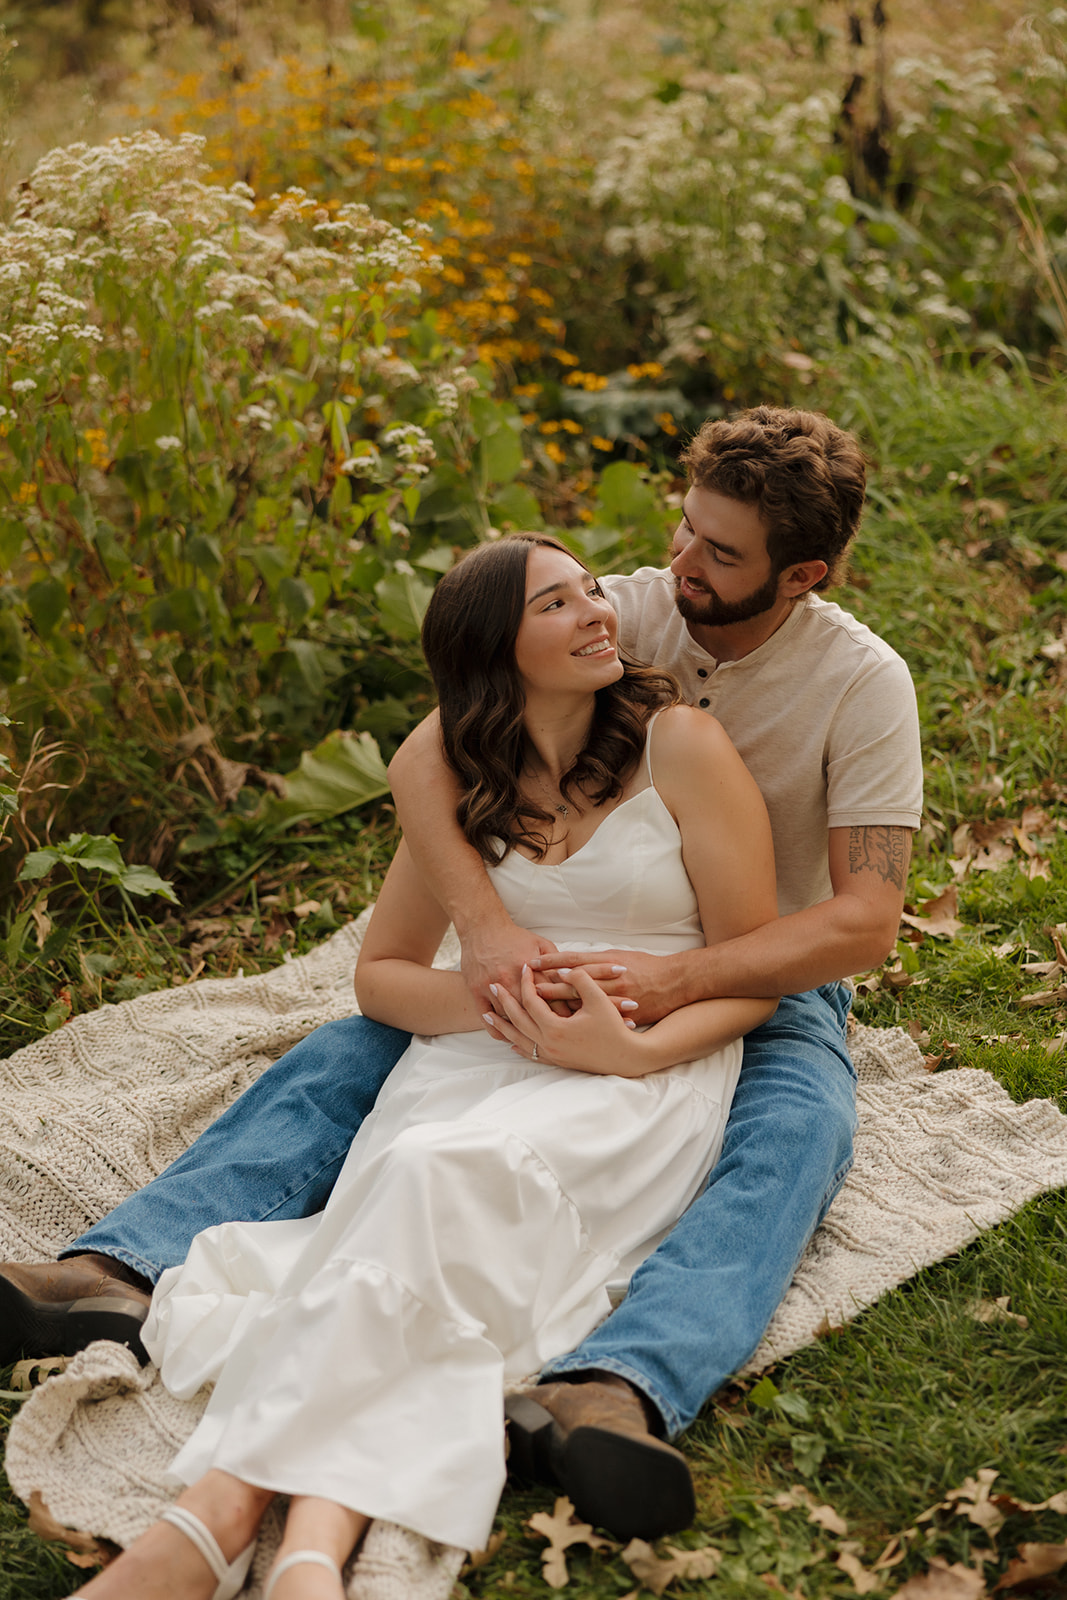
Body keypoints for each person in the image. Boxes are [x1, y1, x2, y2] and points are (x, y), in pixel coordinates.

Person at [0, 404, 923, 1540]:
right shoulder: (627, 605)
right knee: (348, 1051)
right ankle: (121, 1265)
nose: (677, 565)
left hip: (758, 967)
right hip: (548, 954)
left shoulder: (859, 686)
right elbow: (429, 747)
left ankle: (614, 1384)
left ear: (800, 573)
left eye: (718, 554)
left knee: (796, 1135)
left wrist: (664, 993)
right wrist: (483, 932)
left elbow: (864, 920)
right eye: (683, 530)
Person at [71, 532, 778, 1600]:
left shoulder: (678, 744)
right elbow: (385, 976)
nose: (598, 613)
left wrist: (625, 1049)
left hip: (640, 1077)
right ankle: (308, 1542)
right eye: (556, 603)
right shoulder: (459, 776)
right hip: (473, 1061)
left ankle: (206, 1522)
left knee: (427, 1182)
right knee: (417, 1199)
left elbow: (749, 975)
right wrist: (501, 1007)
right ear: (494, 645)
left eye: (593, 591)